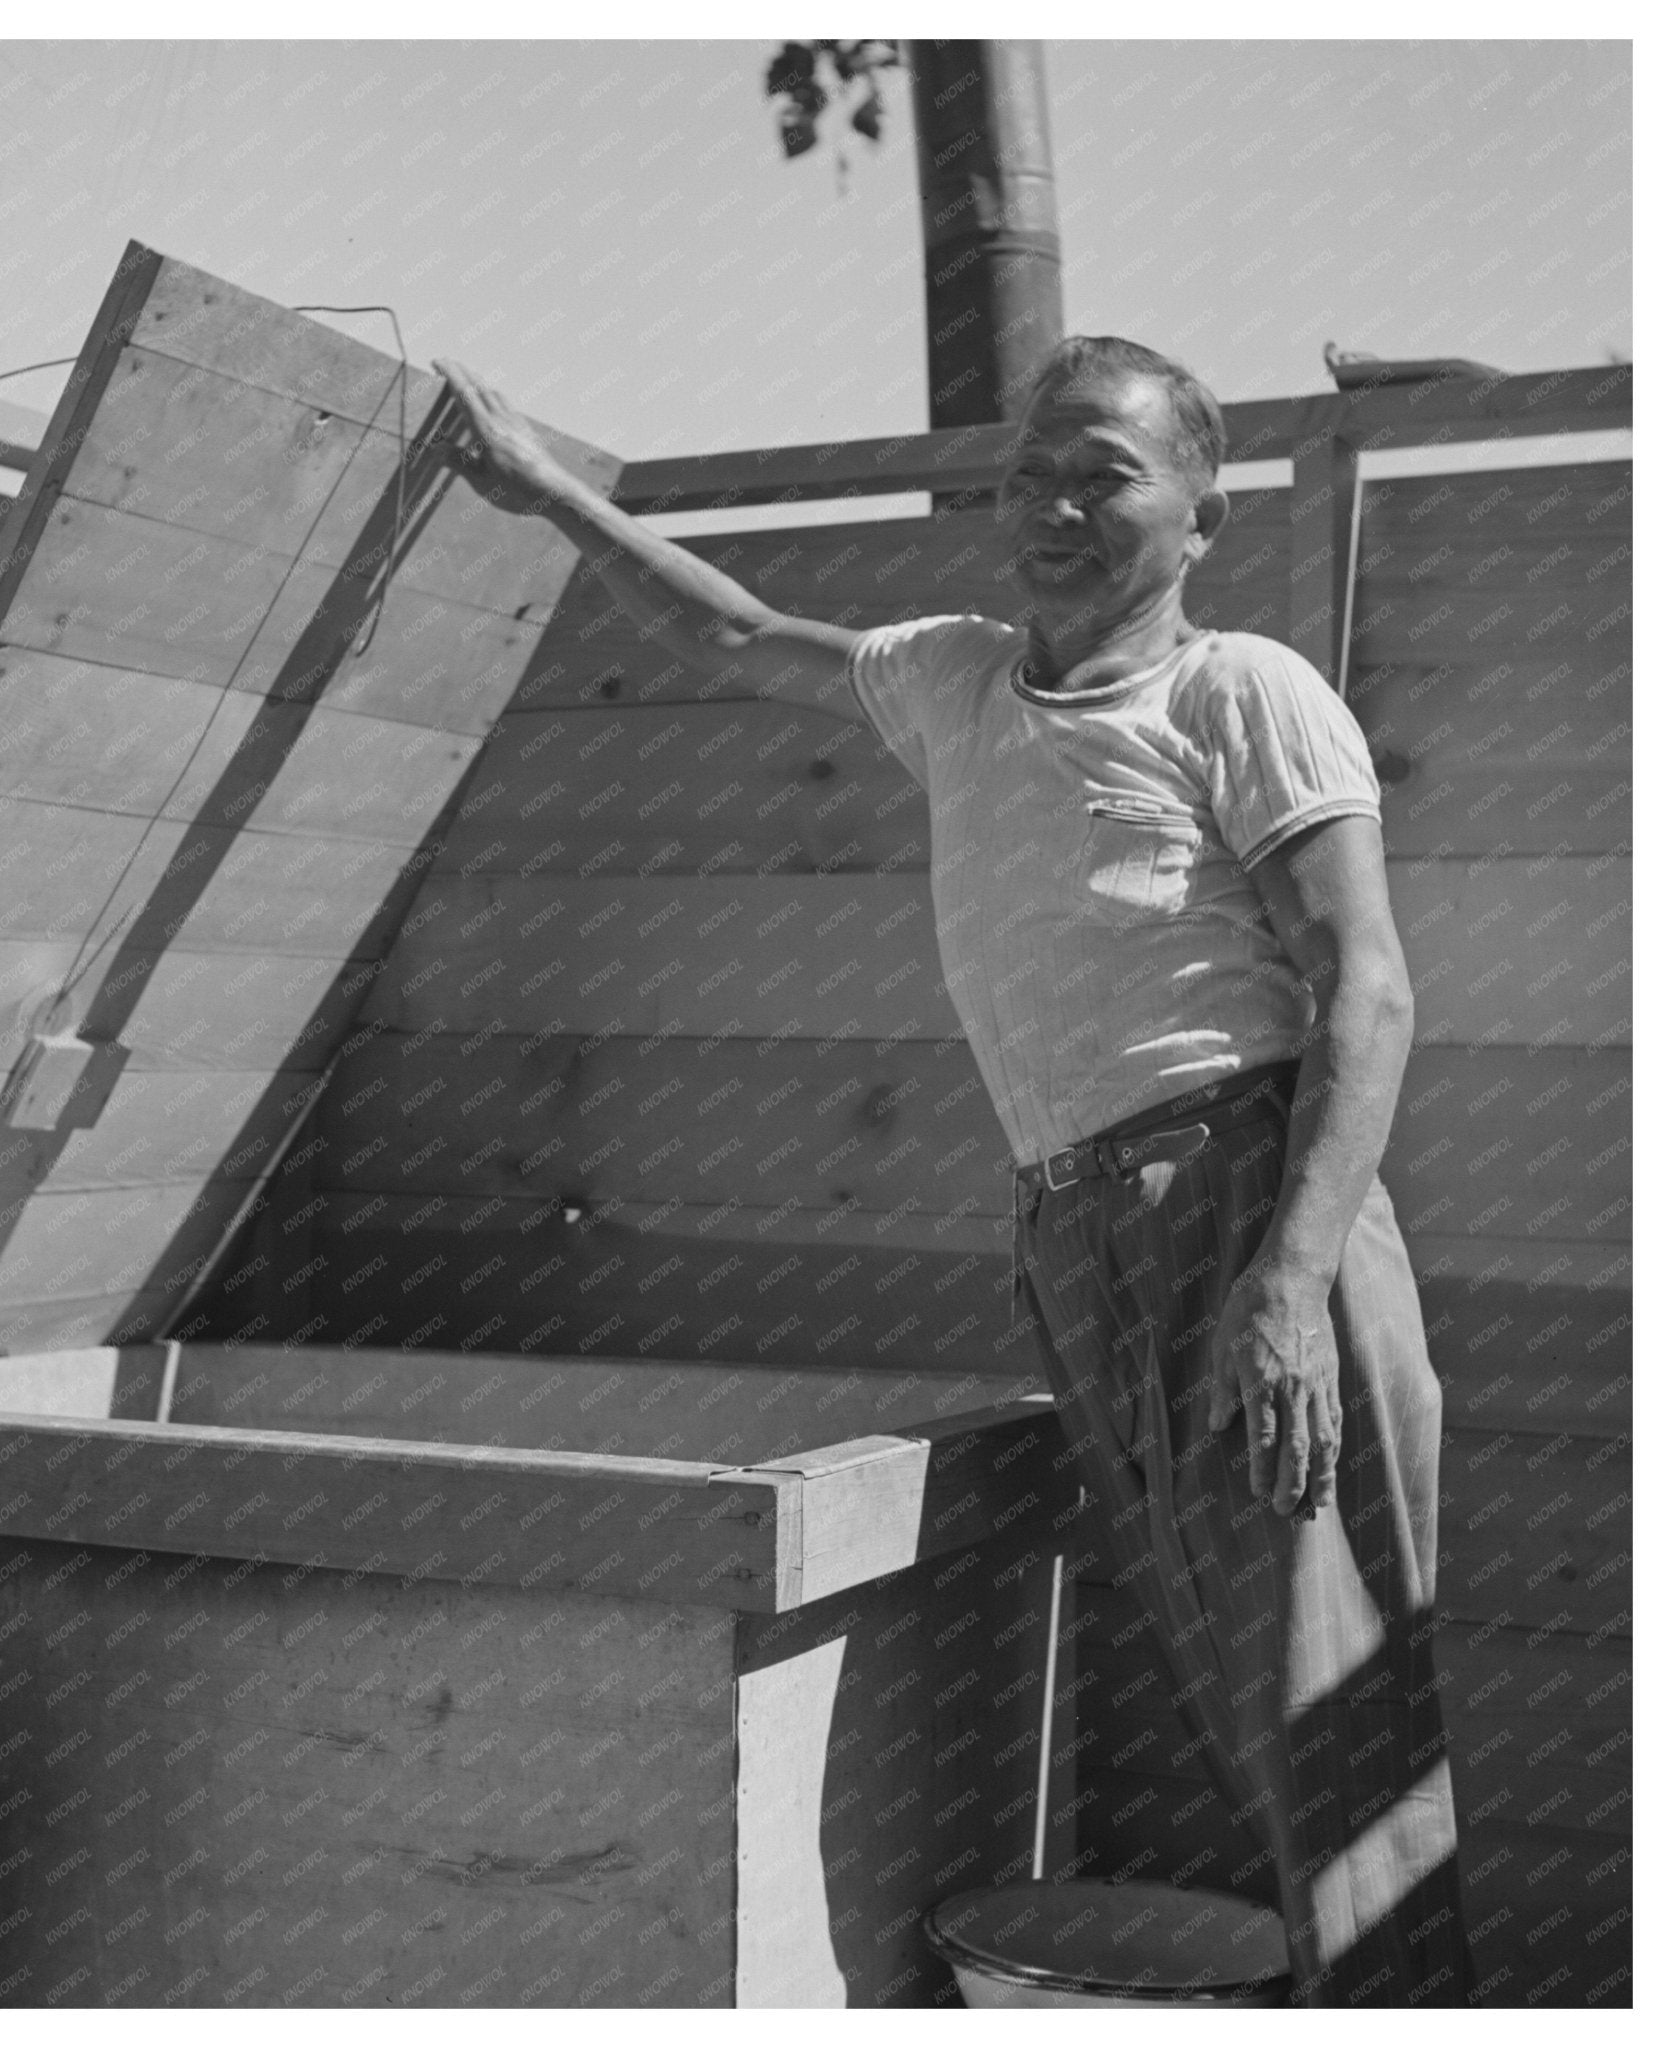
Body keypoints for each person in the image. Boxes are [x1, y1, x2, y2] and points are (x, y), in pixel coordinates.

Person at [435, 336, 1473, 2007]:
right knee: (1260, 1724)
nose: (1058, 507)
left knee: (1333, 1730)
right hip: (1082, 1228)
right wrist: (548, 494)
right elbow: (737, 631)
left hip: (1249, 1209)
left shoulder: (1241, 691)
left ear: (1202, 512)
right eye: (1032, 475)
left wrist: (1286, 1282)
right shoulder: (957, 678)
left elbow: (1369, 983)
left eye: (1106, 474)